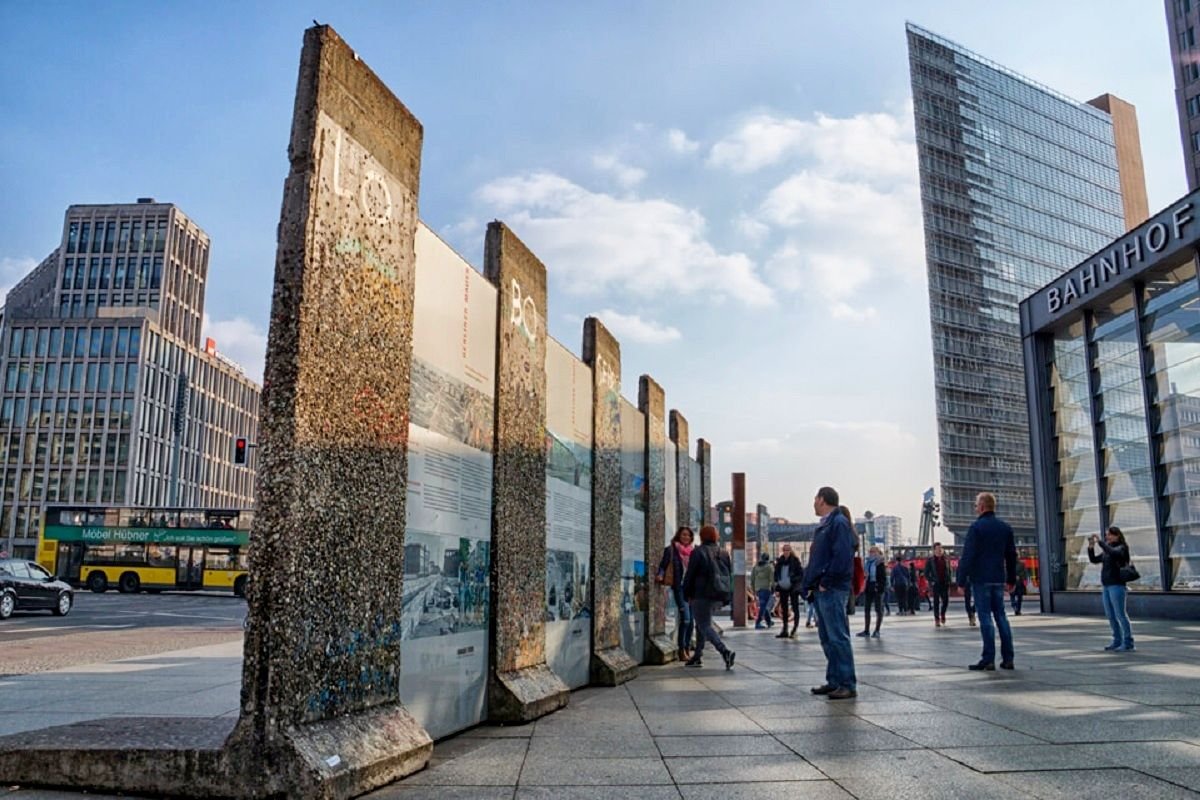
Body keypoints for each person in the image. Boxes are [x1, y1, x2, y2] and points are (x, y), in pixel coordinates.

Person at [803, 487, 858, 700]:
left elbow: (842, 556)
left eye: (815, 498)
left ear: (823, 499)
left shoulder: (838, 523)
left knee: (838, 637)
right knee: (827, 637)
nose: (814, 503)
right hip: (822, 588)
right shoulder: (827, 524)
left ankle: (846, 683)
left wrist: (826, 581)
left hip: (832, 588)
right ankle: (834, 680)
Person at [957, 492, 1017, 671]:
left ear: (982, 507)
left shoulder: (976, 528)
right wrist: (1011, 578)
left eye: (976, 505)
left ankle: (988, 658)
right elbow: (1011, 555)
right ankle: (1008, 658)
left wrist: (961, 580)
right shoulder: (1005, 528)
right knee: (1001, 616)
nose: (975, 508)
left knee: (985, 617)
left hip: (980, 579)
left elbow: (968, 556)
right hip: (998, 578)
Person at [681, 524, 735, 670]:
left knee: (704, 625)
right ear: (715, 536)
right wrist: (728, 596)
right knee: (701, 623)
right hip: (718, 593)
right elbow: (729, 575)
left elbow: (690, 575)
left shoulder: (698, 552)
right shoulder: (723, 552)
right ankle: (697, 656)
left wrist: (685, 592)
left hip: (701, 594)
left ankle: (724, 651)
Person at [1089, 526, 1135, 652]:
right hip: (1107, 586)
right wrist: (1091, 547)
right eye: (1106, 535)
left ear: (1117, 536)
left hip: (1117, 585)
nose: (1107, 537)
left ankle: (1128, 642)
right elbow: (1094, 560)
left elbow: (1114, 553)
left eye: (1109, 535)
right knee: (1111, 615)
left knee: (1120, 614)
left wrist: (1100, 543)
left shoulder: (1122, 548)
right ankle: (1117, 640)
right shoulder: (1107, 551)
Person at [656, 526, 695, 661]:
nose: (686, 537)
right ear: (679, 535)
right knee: (686, 619)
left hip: (691, 589)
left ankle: (687, 648)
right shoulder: (671, 550)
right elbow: (663, 565)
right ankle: (681, 649)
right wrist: (660, 575)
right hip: (679, 588)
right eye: (684, 535)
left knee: (691, 622)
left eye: (688, 535)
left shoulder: (693, 552)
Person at [774, 544, 803, 638]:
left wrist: (792, 580)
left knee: (795, 608)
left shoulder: (795, 561)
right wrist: (777, 583)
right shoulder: (780, 561)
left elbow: (800, 574)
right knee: (784, 608)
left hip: (793, 588)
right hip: (782, 588)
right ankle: (785, 629)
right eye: (784, 550)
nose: (786, 552)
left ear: (790, 551)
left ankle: (795, 629)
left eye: (788, 550)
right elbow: (776, 573)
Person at [858, 545, 886, 638]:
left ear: (878, 553)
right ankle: (866, 630)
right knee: (867, 609)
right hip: (869, 586)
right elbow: (864, 575)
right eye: (870, 552)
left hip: (877, 587)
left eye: (874, 552)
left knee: (878, 609)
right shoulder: (868, 563)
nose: (871, 553)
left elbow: (883, 578)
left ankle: (877, 630)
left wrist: (879, 587)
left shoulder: (880, 563)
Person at [925, 542, 952, 627]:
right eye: (937, 549)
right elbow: (926, 573)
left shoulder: (946, 559)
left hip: (945, 583)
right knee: (936, 602)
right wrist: (931, 580)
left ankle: (942, 614)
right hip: (936, 583)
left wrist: (949, 580)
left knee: (946, 601)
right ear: (934, 550)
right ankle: (937, 619)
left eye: (940, 548)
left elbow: (949, 571)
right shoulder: (930, 560)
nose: (939, 550)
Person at [750, 552, 775, 630]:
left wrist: (754, 590)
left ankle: (769, 621)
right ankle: (758, 623)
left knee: (763, 605)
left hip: (758, 589)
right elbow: (772, 579)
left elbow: (752, 580)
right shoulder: (769, 567)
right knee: (764, 606)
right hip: (766, 588)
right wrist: (774, 588)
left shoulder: (755, 567)